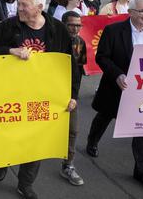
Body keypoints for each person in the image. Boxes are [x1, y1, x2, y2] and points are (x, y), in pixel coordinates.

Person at [0, 0, 80, 199]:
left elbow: (70, 65)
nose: (19, 8)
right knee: (9, 135)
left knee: (36, 141)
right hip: (12, 95)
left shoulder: (58, 30)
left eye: (24, 5)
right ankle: (2, 160)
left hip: (44, 96)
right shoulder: (8, 27)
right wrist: (10, 51)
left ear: (39, 7)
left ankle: (25, 184)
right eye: (18, 4)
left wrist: (73, 95)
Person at [86, 0, 143, 191]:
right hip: (116, 86)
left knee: (142, 130)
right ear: (131, 12)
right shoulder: (113, 30)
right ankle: (92, 141)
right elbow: (102, 56)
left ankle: (142, 172)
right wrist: (118, 74)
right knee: (105, 117)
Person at [60, 11, 86, 186]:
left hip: (69, 94)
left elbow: (78, 74)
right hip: (47, 92)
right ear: (63, 24)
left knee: (73, 130)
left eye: (79, 25)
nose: (76, 29)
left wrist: (74, 97)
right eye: (72, 25)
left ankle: (68, 165)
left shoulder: (80, 43)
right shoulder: (53, 41)